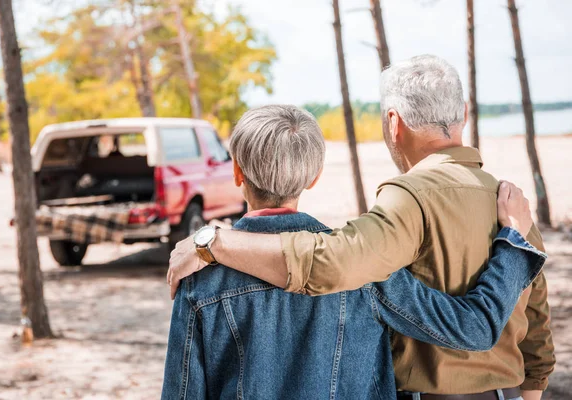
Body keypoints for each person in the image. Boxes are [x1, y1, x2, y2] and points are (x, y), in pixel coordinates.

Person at [168, 56, 556, 400]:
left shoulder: (199, 279)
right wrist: (514, 245)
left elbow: (183, 391)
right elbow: (491, 323)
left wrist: (212, 243)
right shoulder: (374, 272)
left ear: (237, 171)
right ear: (316, 175)